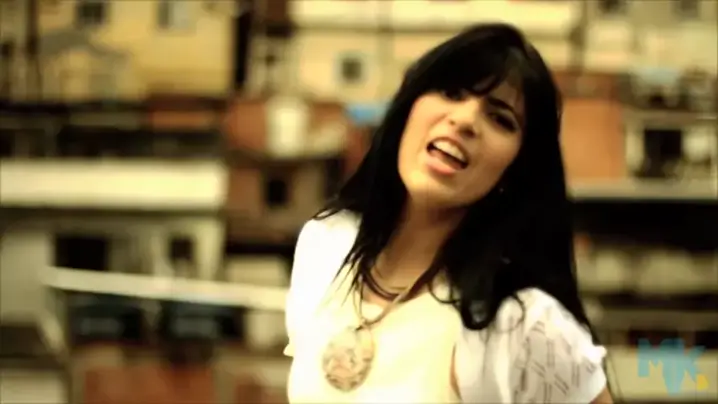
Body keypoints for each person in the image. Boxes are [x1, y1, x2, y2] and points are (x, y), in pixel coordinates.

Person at [283, 23, 613, 403]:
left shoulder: (519, 324)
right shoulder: (327, 245)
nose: (464, 120)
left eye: (500, 118)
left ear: (516, 168)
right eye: (452, 92)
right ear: (408, 107)